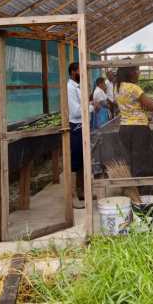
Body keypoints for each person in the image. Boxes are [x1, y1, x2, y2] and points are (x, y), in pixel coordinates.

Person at [115, 65, 153, 176]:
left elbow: (130, 105)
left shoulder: (118, 87)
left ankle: (134, 182)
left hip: (124, 127)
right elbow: (152, 106)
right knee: (141, 162)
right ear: (130, 72)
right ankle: (141, 185)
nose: (139, 72)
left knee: (132, 161)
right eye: (137, 70)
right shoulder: (134, 88)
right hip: (138, 129)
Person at [67, 62, 86, 209]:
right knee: (75, 163)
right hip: (75, 127)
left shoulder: (78, 87)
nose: (82, 73)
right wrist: (91, 106)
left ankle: (82, 192)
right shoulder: (70, 88)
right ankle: (72, 196)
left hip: (81, 127)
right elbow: (75, 112)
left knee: (82, 161)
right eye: (80, 70)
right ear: (73, 72)